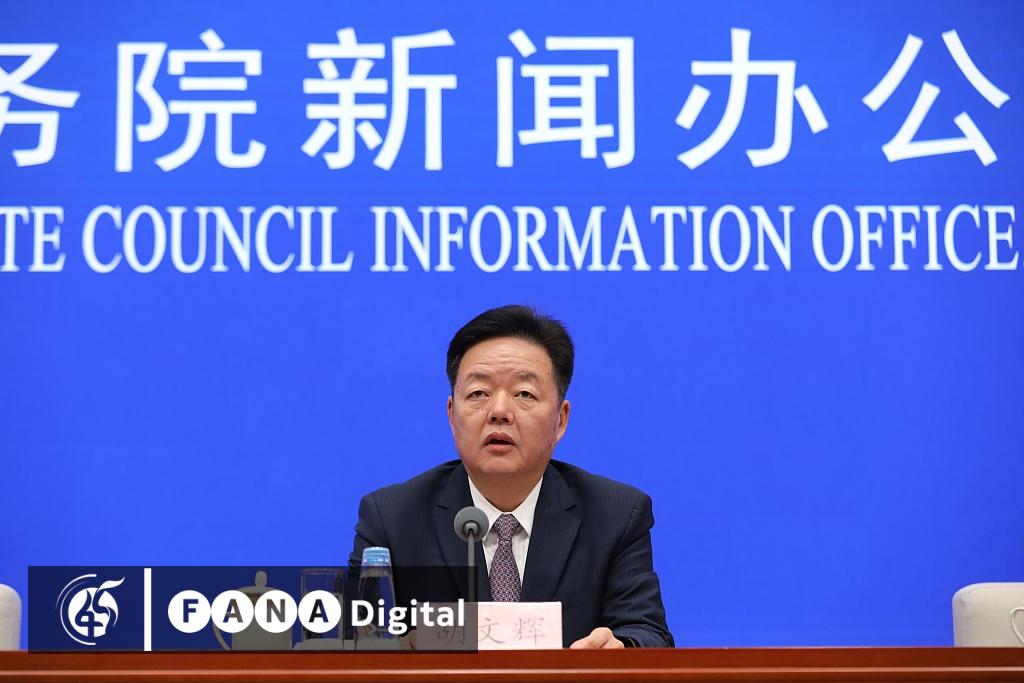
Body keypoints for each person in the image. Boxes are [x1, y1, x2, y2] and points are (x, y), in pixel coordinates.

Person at [348, 305, 673, 648]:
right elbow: (355, 641)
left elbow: (648, 634)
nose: (499, 411)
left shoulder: (616, 516)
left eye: (524, 394)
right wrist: (400, 648)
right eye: (478, 393)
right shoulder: (391, 518)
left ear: (560, 420)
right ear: (452, 415)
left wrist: (620, 649)